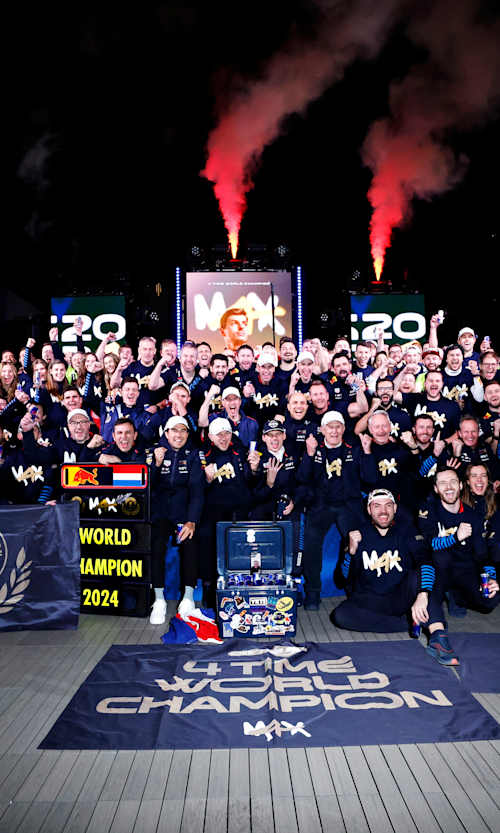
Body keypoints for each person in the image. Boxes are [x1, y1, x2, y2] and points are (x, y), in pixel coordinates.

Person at [418, 468, 499, 663]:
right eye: (443, 483)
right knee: (439, 558)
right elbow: (429, 545)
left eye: (453, 482)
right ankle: (438, 633)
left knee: (489, 600)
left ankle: (456, 596)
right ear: (436, 489)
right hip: (437, 569)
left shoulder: (472, 515)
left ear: (461, 485)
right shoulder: (427, 511)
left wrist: (491, 577)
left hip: (463, 569)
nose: (449, 487)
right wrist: (455, 537)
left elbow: (482, 555)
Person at [332, 489, 438, 635]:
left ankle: (438, 634)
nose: (383, 511)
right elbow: (340, 580)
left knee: (422, 578)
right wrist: (350, 553)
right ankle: (406, 623)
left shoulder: (408, 531)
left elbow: (426, 561)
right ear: (369, 510)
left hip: (399, 598)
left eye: (388, 505)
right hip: (368, 600)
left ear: (395, 508)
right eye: (377, 506)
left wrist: (423, 595)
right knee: (340, 616)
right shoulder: (356, 534)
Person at [298, 411, 368, 609]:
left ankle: (356, 589)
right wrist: (309, 455)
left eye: (338, 426)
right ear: (322, 429)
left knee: (358, 542)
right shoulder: (315, 449)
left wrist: (368, 453)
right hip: (321, 505)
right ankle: (313, 591)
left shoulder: (353, 450)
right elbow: (303, 478)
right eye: (330, 426)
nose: (334, 431)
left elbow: (369, 478)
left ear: (344, 429)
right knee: (311, 542)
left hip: (347, 505)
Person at [149, 415, 205, 624]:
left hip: (183, 514)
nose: (178, 435)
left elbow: (198, 492)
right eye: (174, 430)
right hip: (161, 514)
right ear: (166, 433)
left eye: (183, 430)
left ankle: (188, 598)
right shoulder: (154, 452)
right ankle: (159, 599)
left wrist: (191, 521)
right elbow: (146, 487)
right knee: (156, 543)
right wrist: (156, 464)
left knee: (190, 542)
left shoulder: (193, 455)